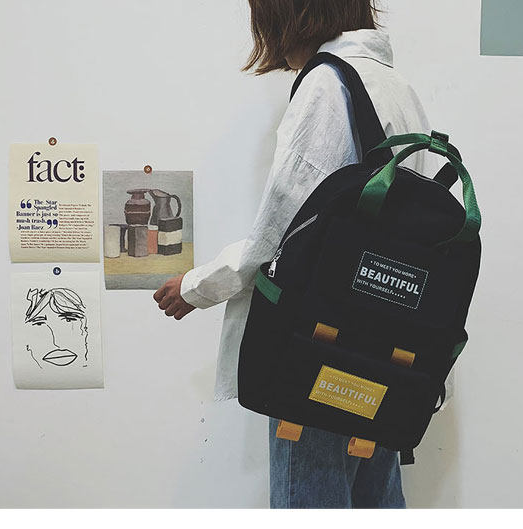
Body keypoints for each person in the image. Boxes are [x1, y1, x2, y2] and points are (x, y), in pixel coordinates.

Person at [153, 0, 436, 508]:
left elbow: (282, 233)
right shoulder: (395, 85)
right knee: (376, 498)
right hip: (385, 349)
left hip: (322, 346)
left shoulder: (328, 85)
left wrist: (197, 287)